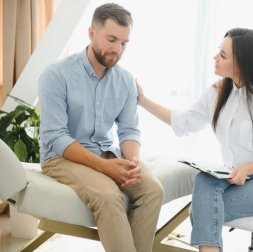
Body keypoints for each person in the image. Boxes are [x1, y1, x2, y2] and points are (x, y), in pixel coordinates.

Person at [136, 28, 253, 252]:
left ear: (242, 63)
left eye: (223, 55)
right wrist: (143, 100)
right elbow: (184, 123)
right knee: (204, 181)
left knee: (202, 209)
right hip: (234, 175)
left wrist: (248, 169)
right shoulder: (219, 92)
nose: (215, 58)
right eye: (218, 51)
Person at [38, 3, 164, 252]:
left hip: (105, 151)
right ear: (91, 33)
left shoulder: (125, 80)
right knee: (109, 196)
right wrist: (105, 167)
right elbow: (56, 138)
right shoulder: (56, 75)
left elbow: (129, 130)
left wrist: (133, 161)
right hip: (61, 158)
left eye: (124, 43)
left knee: (153, 190)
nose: (117, 50)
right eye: (112, 39)